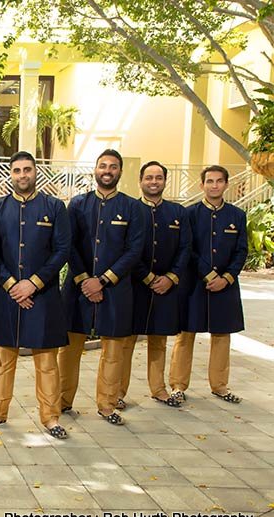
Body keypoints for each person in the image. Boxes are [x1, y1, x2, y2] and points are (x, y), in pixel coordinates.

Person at [0, 151, 71, 439]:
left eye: (27, 170)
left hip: (42, 296)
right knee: (3, 359)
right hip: (6, 295)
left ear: (35, 172)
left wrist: (33, 283)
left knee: (47, 361)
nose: (22, 175)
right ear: (11, 174)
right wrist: (10, 284)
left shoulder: (54, 207)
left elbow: (62, 251)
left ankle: (51, 418)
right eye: (17, 170)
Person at [58, 149, 144, 425]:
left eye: (113, 166)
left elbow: (134, 250)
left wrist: (104, 280)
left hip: (116, 290)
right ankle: (62, 401)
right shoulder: (77, 205)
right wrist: (85, 280)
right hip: (78, 288)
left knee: (113, 350)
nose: (108, 170)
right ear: (95, 170)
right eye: (103, 165)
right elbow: (67, 245)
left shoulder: (133, 208)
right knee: (69, 348)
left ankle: (107, 404)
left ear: (120, 172)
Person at [169, 165, 248, 404]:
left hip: (227, 285)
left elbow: (241, 250)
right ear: (201, 185)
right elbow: (187, 248)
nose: (214, 185)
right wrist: (208, 275)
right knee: (186, 333)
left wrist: (227, 277)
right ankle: (178, 385)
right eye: (210, 181)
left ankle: (220, 386)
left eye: (219, 181)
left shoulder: (237, 216)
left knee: (222, 335)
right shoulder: (189, 214)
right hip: (194, 284)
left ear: (226, 184)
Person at [120, 161, 191, 408]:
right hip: (136, 285)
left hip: (167, 287)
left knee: (159, 340)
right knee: (126, 340)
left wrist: (171, 278)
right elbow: (128, 250)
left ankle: (158, 389)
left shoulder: (178, 213)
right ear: (141, 181)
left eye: (158, 178)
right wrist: (148, 278)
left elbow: (185, 248)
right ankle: (118, 392)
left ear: (164, 181)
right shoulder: (130, 209)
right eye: (149, 177)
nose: (153, 182)